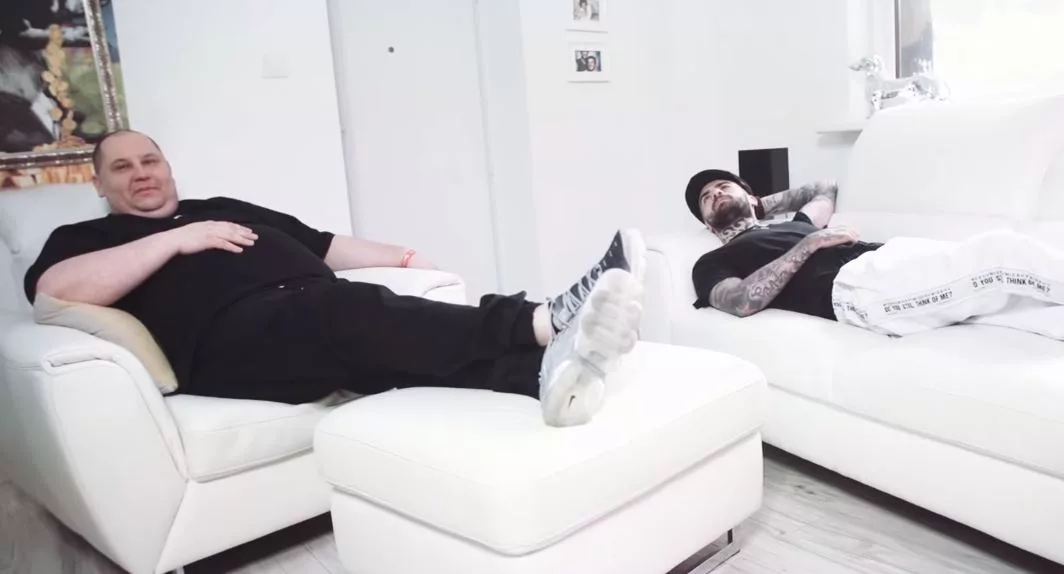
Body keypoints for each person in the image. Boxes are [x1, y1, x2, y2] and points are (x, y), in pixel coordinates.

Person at [24, 130, 648, 428]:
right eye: (122, 167)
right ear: (99, 184)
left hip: (312, 311)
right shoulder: (88, 237)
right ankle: (544, 319)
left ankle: (546, 376)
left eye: (150, 160)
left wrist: (404, 256)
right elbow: (57, 289)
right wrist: (174, 240)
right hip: (232, 344)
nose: (141, 173)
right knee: (346, 313)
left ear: (169, 167)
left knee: (378, 346)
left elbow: (322, 243)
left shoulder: (222, 206)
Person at [684, 169, 1064, 340]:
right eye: (706, 198)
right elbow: (740, 302)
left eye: (723, 187)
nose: (716, 194)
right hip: (855, 288)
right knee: (998, 255)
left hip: (889, 255)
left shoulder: (796, 222)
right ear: (707, 223)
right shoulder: (713, 261)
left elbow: (824, 187)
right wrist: (810, 244)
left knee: (1025, 305)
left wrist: (757, 204)